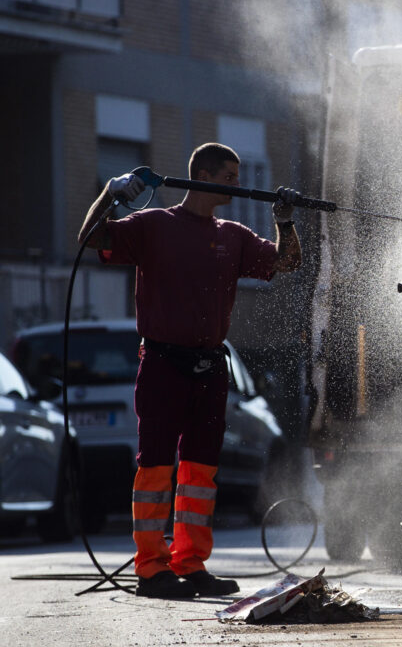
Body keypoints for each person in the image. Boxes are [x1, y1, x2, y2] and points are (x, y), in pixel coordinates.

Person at [78, 143, 303, 599]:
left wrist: (284, 221)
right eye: (228, 178)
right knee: (157, 466)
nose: (237, 186)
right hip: (163, 364)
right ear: (200, 174)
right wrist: (110, 193)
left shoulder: (235, 235)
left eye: (238, 178)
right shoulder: (153, 225)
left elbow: (287, 262)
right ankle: (151, 568)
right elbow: (91, 239)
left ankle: (190, 563)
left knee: (201, 470)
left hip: (210, 367)